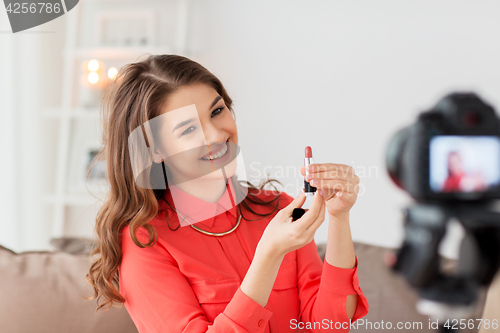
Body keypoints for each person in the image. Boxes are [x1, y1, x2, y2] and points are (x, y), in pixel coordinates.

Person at [85, 54, 368, 332]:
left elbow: (328, 324)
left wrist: (339, 217)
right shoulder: (144, 242)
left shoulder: (278, 210)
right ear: (155, 149)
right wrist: (268, 255)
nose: (218, 135)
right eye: (188, 129)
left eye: (217, 111)